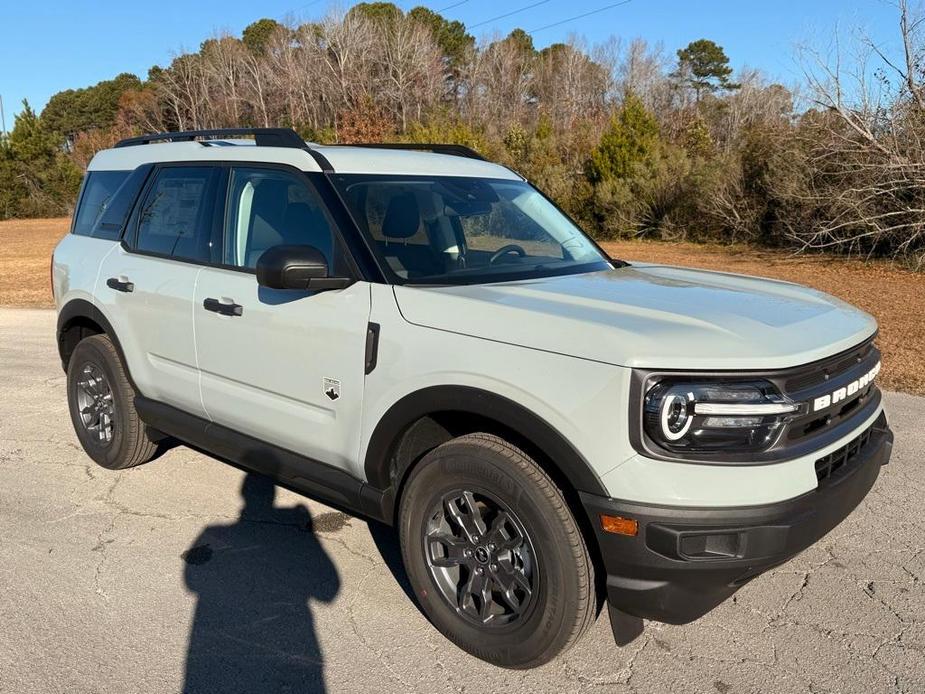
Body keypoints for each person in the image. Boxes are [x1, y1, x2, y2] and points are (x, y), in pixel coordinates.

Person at [183, 471, 339, 693]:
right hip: (294, 644)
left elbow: (190, 582)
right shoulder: (294, 518)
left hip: (227, 646)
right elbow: (329, 592)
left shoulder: (214, 531)